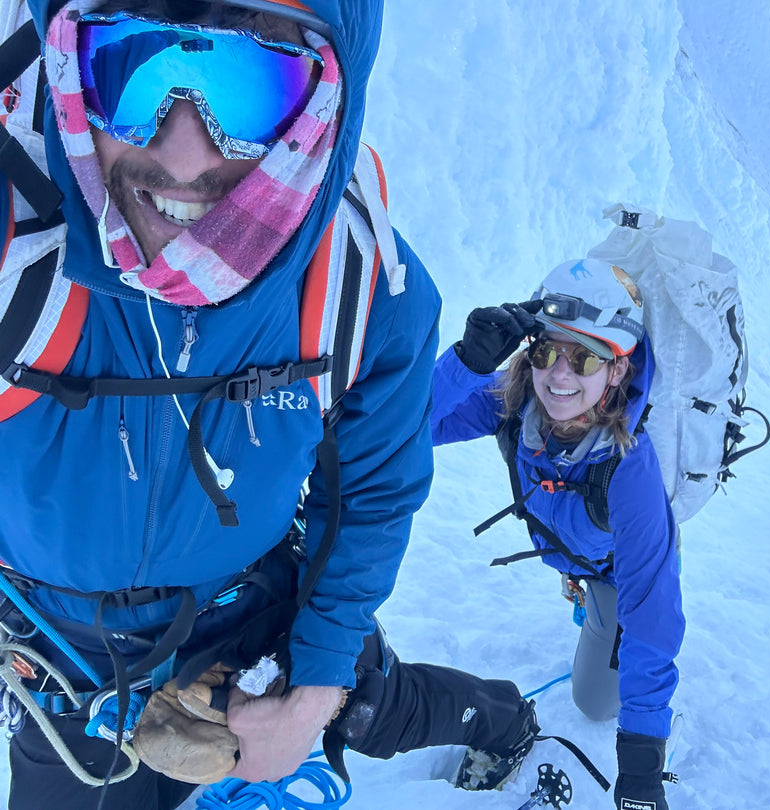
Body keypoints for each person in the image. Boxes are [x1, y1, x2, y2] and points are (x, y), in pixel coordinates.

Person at [0, 1, 539, 808]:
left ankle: (505, 725)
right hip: (61, 662)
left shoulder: (358, 290)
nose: (182, 155)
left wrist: (318, 684)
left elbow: (371, 490)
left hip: (247, 626)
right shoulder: (19, 255)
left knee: (367, 711)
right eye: (133, 69)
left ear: (325, 96)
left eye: (249, 83)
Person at [432, 258, 685, 810]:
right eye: (546, 350)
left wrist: (642, 767)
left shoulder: (630, 471)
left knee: (595, 703)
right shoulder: (516, 399)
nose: (559, 375)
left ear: (617, 369)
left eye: (585, 356)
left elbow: (653, 617)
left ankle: (596, 607)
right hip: (577, 554)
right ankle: (585, 595)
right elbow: (404, 428)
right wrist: (465, 363)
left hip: (618, 573)